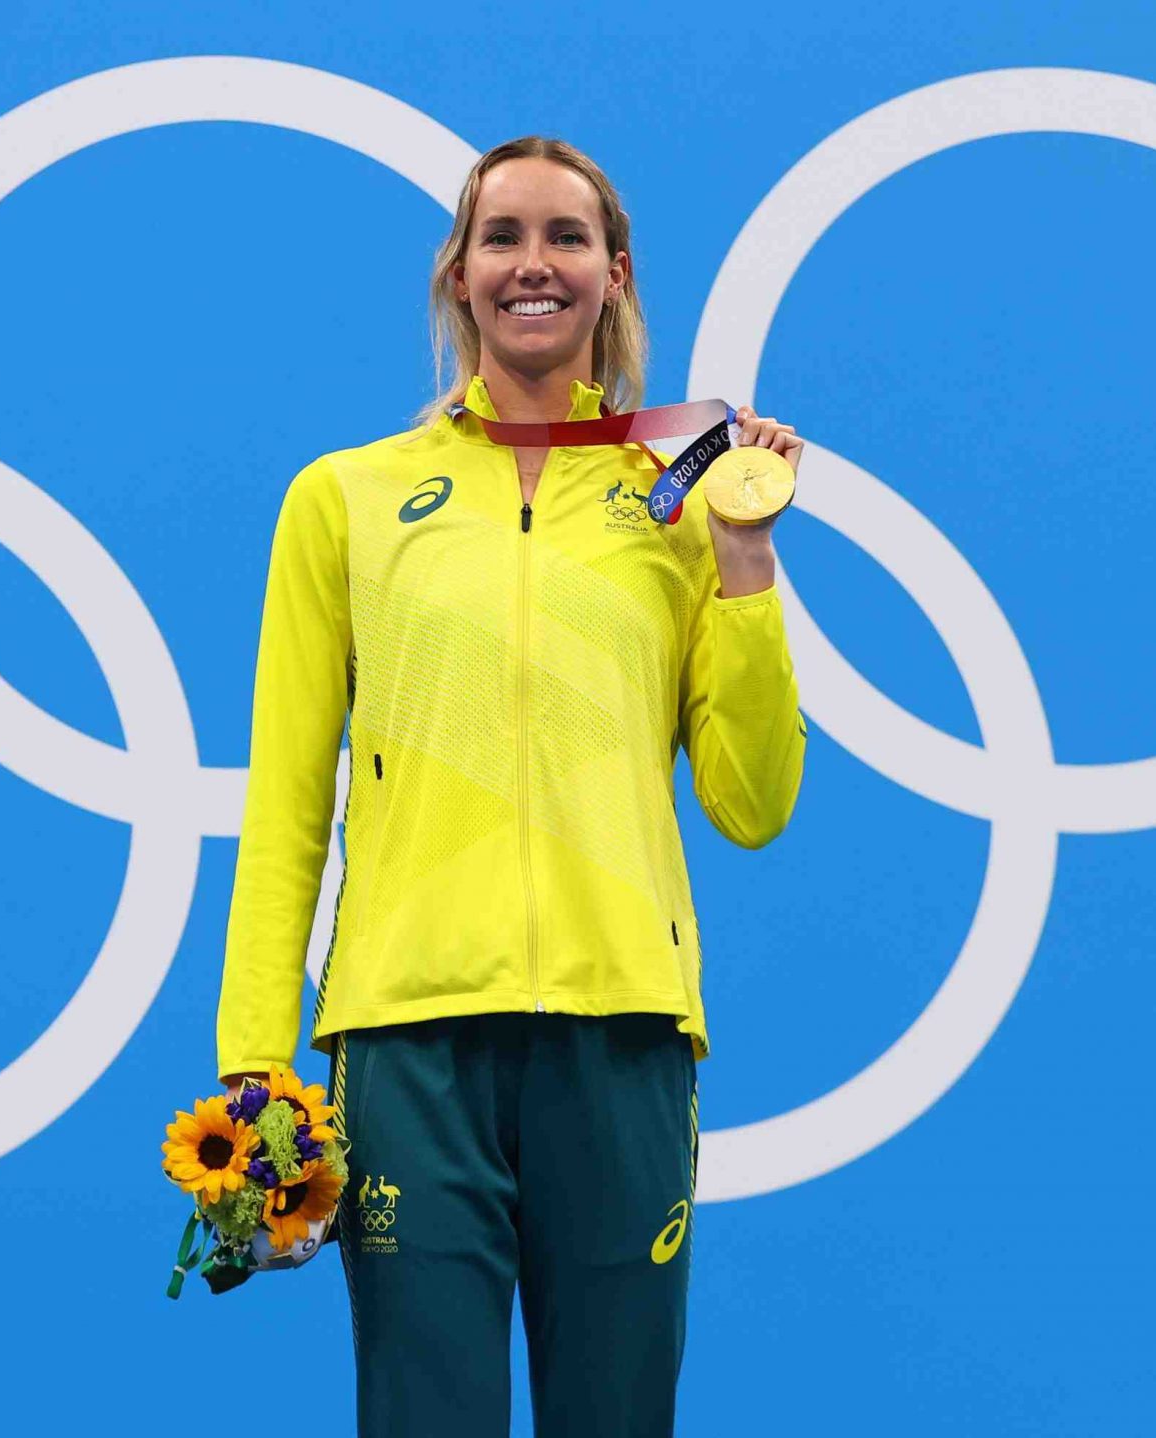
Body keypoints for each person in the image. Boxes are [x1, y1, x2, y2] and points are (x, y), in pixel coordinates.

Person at [215, 136, 808, 1436]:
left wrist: (750, 559)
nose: (532, 263)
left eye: (564, 237)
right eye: (503, 236)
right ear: (459, 273)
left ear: (614, 273)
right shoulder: (346, 501)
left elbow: (754, 801)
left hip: (626, 1042)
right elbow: (285, 817)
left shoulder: (681, 500)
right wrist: (255, 1085)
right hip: (408, 1050)